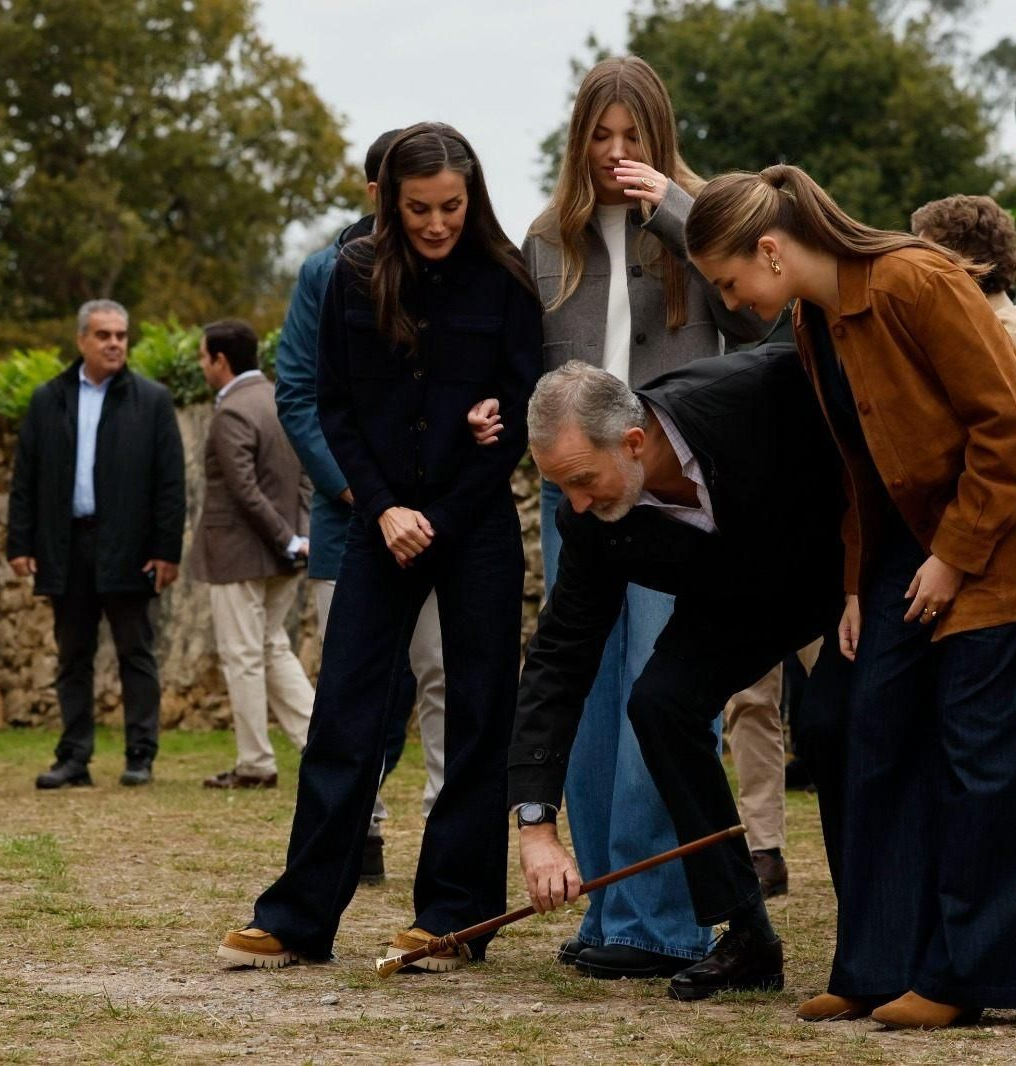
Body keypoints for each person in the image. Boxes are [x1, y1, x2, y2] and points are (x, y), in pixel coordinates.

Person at [685, 165, 1016, 1029]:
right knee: (854, 722)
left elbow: (1007, 427)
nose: (732, 302)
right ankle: (877, 963)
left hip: (1015, 522)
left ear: (770, 251)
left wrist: (955, 559)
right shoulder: (815, 320)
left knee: (981, 743)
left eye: (730, 282)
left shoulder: (916, 279)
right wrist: (857, 586)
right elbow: (863, 467)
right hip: (913, 539)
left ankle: (965, 977)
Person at [217, 123, 541, 972]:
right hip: (380, 527)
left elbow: (517, 410)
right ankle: (298, 918)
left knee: (477, 717)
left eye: (452, 207)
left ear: (474, 199)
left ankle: (454, 918)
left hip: (475, 528)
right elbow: (331, 406)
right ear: (390, 205)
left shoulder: (506, 278)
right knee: (346, 714)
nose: (437, 224)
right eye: (420, 209)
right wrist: (387, 508)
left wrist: (458, 491)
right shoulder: (348, 277)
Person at [501, 54, 775, 979]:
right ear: (580, 140)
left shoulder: (700, 222)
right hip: (578, 485)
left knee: (663, 696)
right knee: (584, 694)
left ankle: (663, 920)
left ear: (660, 138)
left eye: (634, 137)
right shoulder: (547, 237)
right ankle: (606, 914)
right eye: (602, 137)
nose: (617, 153)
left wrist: (673, 207)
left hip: (667, 479)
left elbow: (761, 328)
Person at [507, 347, 850, 1001]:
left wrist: (868, 585)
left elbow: (867, 448)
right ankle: (748, 935)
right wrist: (537, 826)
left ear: (633, 442)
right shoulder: (587, 520)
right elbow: (559, 659)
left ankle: (875, 943)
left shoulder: (760, 390)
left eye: (583, 479)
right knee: (660, 704)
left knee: (831, 722)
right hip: (735, 600)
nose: (575, 506)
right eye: (561, 487)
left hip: (842, 569)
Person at [274, 129, 448, 885]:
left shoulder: (452, 274)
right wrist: (362, 495)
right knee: (354, 685)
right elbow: (300, 397)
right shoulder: (322, 275)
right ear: (376, 192)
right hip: (351, 525)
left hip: (436, 519)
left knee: (440, 676)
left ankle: (447, 833)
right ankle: (359, 831)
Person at [8, 299, 185, 789]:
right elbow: (26, 478)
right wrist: (20, 543)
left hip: (129, 546)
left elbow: (171, 484)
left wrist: (167, 550)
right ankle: (74, 758)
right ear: (82, 339)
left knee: (136, 652)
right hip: (65, 546)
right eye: (104, 335)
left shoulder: (151, 401)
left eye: (121, 336)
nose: (114, 344)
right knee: (73, 654)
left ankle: (140, 755)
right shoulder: (49, 399)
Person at [185, 319, 315, 790]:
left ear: (221, 360)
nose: (202, 365)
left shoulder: (232, 411)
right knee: (272, 648)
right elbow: (304, 477)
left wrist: (286, 539)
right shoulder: (278, 400)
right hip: (284, 553)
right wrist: (300, 537)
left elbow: (244, 491)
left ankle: (255, 763)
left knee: (243, 655)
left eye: (204, 357)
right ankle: (323, 745)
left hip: (241, 555)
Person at [911, 194, 1016, 388]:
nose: (918, 269)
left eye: (928, 259)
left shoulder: (1009, 336)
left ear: (966, 261)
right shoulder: (970, 322)